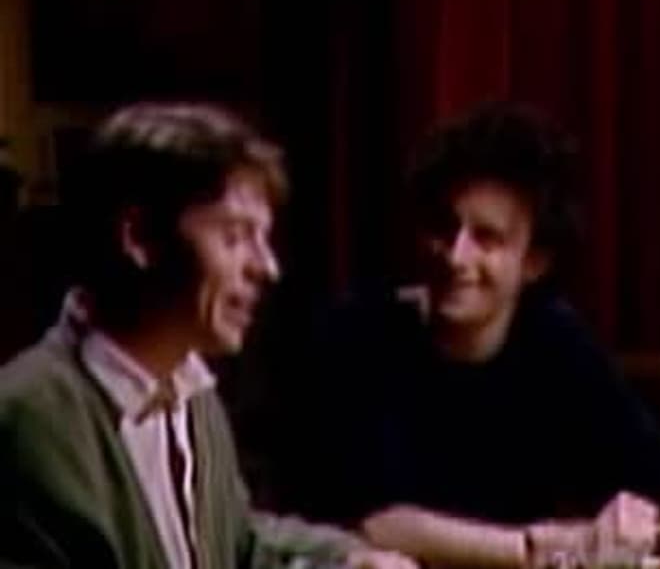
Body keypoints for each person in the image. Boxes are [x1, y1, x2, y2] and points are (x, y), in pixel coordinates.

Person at [267, 103, 660, 566]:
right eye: (444, 229)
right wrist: (536, 547)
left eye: (486, 238)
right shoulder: (358, 334)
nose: (456, 256)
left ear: (534, 262)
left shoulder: (556, 341)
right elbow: (376, 523)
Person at [0, 103, 411, 568]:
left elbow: (235, 543)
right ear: (140, 238)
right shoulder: (30, 420)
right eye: (234, 237)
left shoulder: (189, 389)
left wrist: (349, 559)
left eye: (264, 238)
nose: (267, 268)